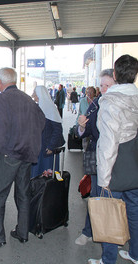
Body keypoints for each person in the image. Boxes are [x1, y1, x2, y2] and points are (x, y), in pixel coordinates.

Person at [0, 67, 45, 251]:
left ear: (0, 82)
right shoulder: (27, 98)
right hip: (26, 155)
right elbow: (42, 121)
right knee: (23, 194)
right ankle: (22, 232)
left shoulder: (1, 99)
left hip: (8, 154)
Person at [88, 55, 138, 264]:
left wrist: (104, 180)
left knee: (109, 213)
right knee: (134, 212)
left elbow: (108, 144)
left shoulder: (110, 102)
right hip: (134, 164)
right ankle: (135, 254)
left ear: (115, 75)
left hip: (115, 167)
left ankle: (108, 260)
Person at [74, 69, 115, 246]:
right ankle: (88, 232)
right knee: (96, 197)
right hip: (99, 159)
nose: (104, 89)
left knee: (117, 200)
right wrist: (81, 126)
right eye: (101, 85)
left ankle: (116, 234)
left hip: (120, 161)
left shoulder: (126, 104)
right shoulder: (97, 104)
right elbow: (82, 132)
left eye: (108, 85)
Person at [30, 85, 64, 178]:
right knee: (36, 175)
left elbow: (58, 130)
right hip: (37, 149)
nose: (33, 95)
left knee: (48, 175)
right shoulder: (37, 107)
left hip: (47, 150)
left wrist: (51, 147)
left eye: (35, 93)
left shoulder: (51, 109)